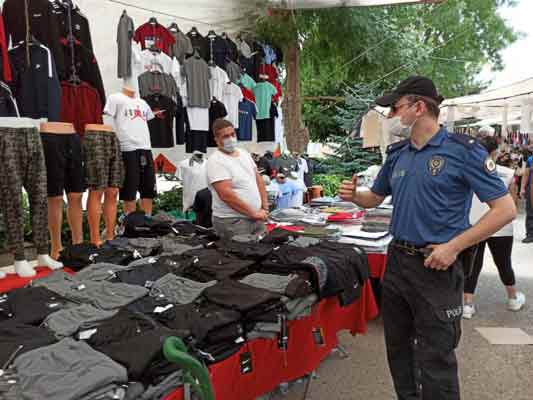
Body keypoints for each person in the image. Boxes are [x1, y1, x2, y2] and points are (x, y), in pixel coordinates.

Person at [338, 76, 516, 400]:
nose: (390, 116)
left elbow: (504, 209)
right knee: (398, 352)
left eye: (395, 107)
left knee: (436, 360)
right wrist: (355, 196)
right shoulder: (397, 154)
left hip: (437, 267)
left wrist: (454, 246)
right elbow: (375, 198)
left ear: (419, 107)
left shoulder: (463, 151)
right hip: (397, 264)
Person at [463, 136, 525, 318]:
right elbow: (512, 202)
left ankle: (468, 304)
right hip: (501, 226)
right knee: (504, 263)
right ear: (495, 152)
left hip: (474, 224)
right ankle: (513, 298)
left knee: (472, 264)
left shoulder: (467, 171)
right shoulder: (507, 173)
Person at [206, 118, 269, 240]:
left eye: (232, 134)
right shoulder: (216, 161)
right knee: (241, 256)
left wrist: (264, 208)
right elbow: (226, 195)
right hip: (233, 221)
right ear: (216, 140)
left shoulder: (243, 153)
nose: (230, 139)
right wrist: (254, 213)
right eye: (225, 136)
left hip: (256, 218)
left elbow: (258, 179)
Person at [520, 147, 533, 243]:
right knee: (530, 211)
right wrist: (522, 188)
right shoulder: (530, 159)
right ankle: (530, 234)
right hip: (531, 188)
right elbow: (526, 174)